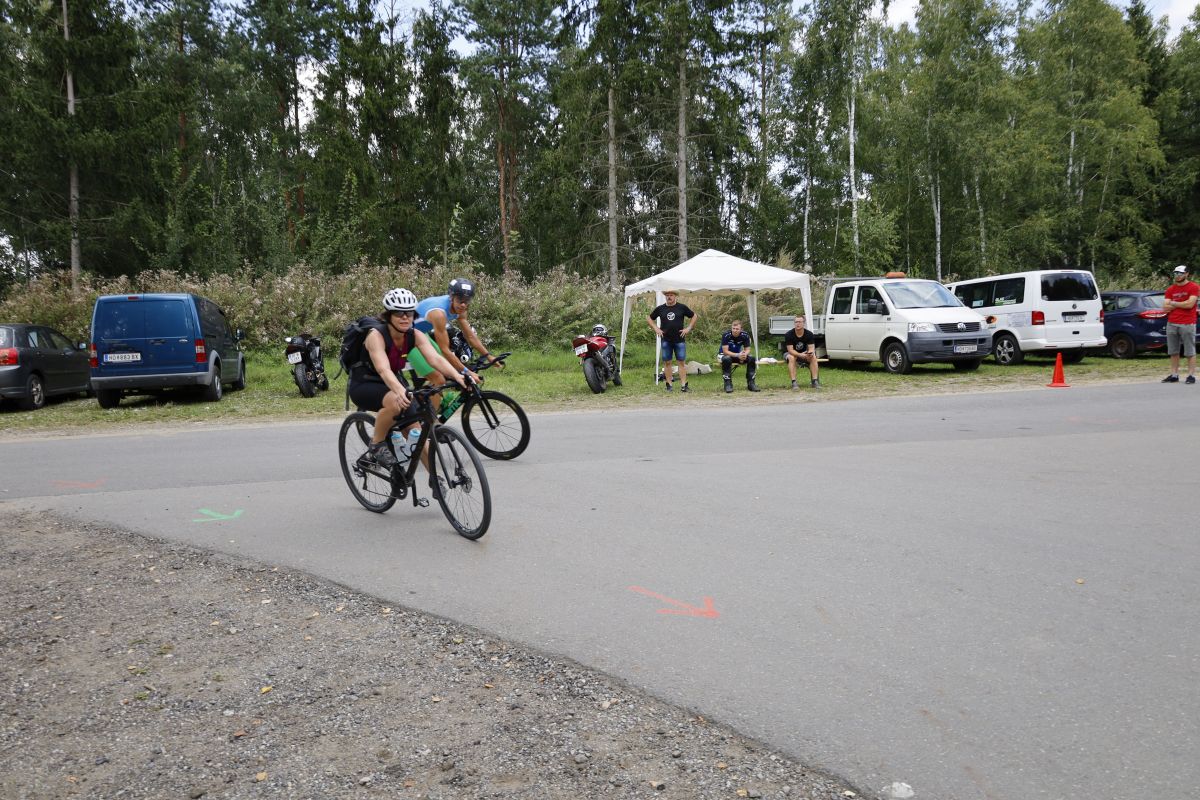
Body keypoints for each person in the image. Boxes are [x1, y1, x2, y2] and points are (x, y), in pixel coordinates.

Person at [348, 288, 467, 479]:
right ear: (389, 315)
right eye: (399, 313)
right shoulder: (376, 336)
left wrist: (459, 375)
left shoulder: (414, 335)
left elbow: (435, 359)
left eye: (409, 313)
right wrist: (399, 390)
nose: (405, 317)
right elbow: (383, 370)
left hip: (394, 381)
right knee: (397, 402)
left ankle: (436, 481)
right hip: (365, 383)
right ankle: (376, 444)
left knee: (416, 433)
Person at [414, 277, 492, 412]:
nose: (463, 305)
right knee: (439, 379)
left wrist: (489, 356)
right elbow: (445, 350)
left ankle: (423, 401)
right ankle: (428, 420)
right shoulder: (439, 313)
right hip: (407, 338)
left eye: (467, 301)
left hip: (420, 335)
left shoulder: (461, 309)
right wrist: (467, 372)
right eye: (460, 300)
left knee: (444, 371)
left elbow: (470, 336)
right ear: (451, 297)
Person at [647, 290, 695, 392]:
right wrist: (656, 328)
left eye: (671, 295)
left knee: (681, 362)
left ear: (675, 296)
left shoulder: (682, 307)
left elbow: (694, 316)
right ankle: (669, 385)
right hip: (666, 340)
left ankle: (683, 386)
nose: (669, 297)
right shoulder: (660, 308)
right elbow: (649, 318)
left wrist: (688, 328)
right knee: (667, 363)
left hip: (679, 339)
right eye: (667, 295)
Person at [1162, 264, 1199, 384]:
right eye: (1176, 273)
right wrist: (1182, 303)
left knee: (1189, 351)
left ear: (1186, 274)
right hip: (1172, 323)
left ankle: (1191, 375)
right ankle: (1174, 375)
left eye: (1180, 273)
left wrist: (1173, 303)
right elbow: (1165, 307)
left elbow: (1190, 304)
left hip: (1187, 323)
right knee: (1173, 351)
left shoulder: (1193, 287)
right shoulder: (1170, 289)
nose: (1177, 276)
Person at [719, 319, 759, 393]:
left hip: (737, 355)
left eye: (737, 329)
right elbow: (725, 351)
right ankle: (728, 385)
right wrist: (738, 355)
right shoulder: (726, 335)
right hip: (724, 355)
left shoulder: (745, 335)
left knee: (751, 358)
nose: (735, 330)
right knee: (727, 359)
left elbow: (747, 349)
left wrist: (744, 354)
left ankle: (751, 384)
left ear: (741, 329)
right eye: (733, 328)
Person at [784, 315, 822, 389]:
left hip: (804, 353)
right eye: (796, 322)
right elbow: (790, 350)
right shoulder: (789, 334)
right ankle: (794, 382)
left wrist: (809, 353)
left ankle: (815, 381)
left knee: (813, 357)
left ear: (804, 323)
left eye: (799, 322)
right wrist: (800, 355)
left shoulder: (809, 334)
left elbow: (811, 348)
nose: (797, 324)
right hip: (790, 353)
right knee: (792, 357)